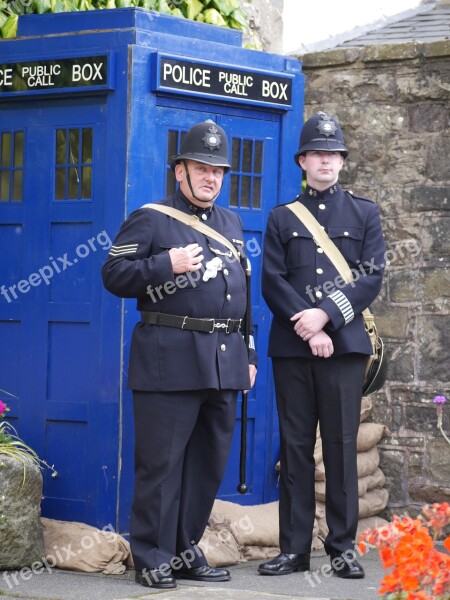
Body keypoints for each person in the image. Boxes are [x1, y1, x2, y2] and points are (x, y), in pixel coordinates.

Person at [102, 120, 257, 590]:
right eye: (202, 168)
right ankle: (152, 557)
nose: (212, 177)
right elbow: (113, 274)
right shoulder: (151, 218)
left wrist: (249, 353)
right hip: (169, 358)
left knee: (207, 466)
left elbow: (243, 290)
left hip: (224, 360)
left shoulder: (230, 222)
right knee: (162, 466)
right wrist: (163, 265)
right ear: (180, 172)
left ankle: (187, 551)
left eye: (219, 170)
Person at [259, 112, 385, 579]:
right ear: (303, 161)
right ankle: (293, 550)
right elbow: (272, 282)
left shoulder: (365, 213)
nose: (325, 161)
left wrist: (326, 317)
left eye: (333, 154)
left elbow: (371, 278)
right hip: (293, 348)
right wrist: (309, 329)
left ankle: (342, 548)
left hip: (345, 347)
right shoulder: (280, 218)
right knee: (293, 446)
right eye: (317, 153)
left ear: (341, 162)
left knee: (340, 446)